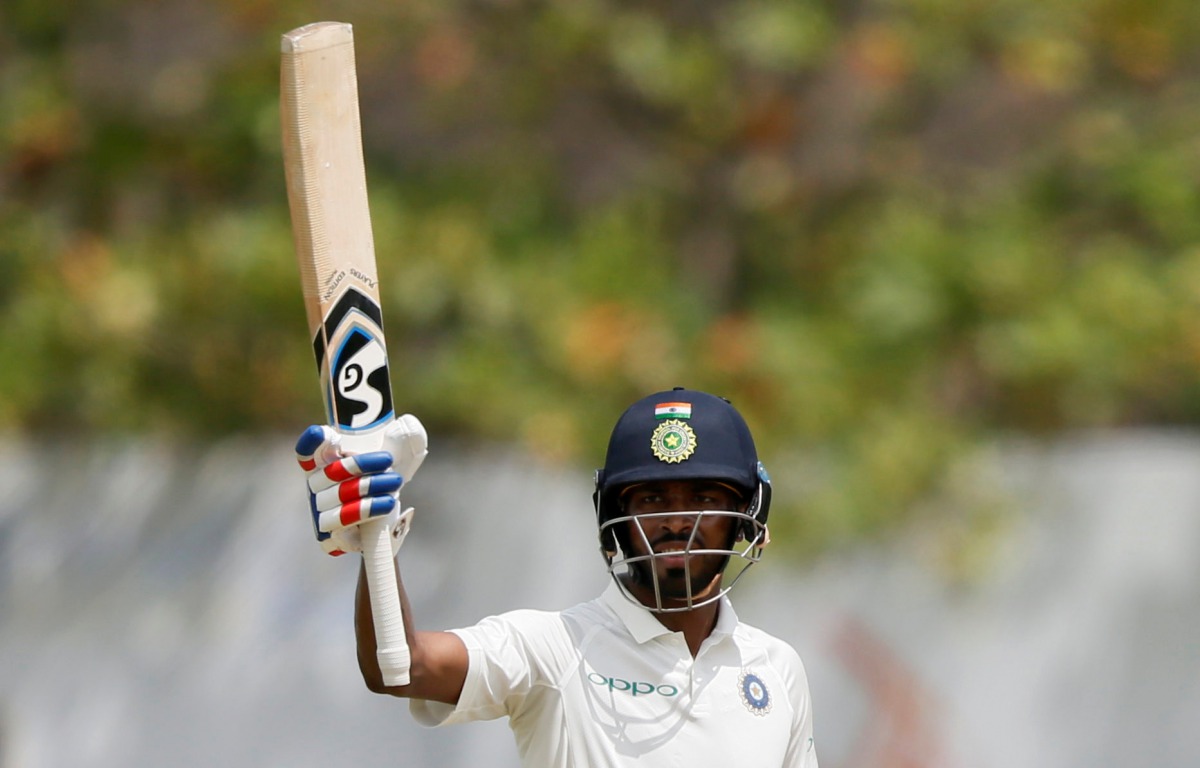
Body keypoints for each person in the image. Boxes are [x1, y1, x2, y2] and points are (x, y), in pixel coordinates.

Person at [296, 387, 818, 767]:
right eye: (652, 499)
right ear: (612, 517)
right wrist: (375, 542)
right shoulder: (554, 648)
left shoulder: (777, 669)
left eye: (704, 499)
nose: (677, 521)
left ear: (749, 515)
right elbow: (400, 668)